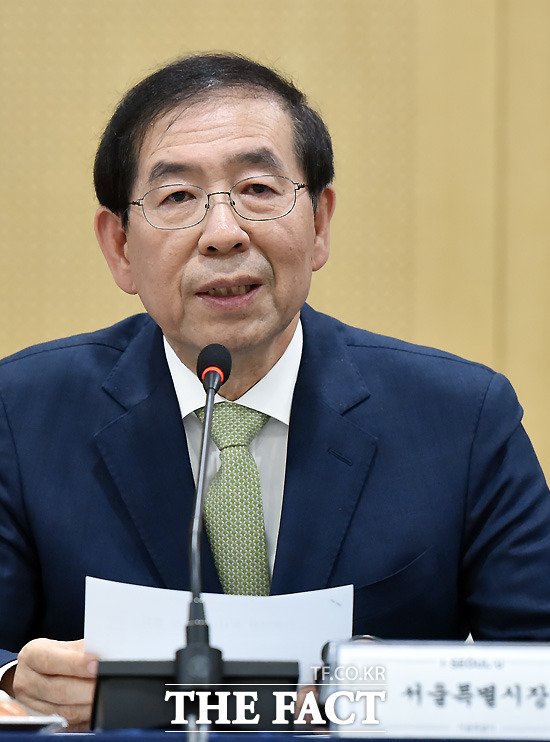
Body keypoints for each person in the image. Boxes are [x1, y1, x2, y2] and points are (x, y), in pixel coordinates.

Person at [1, 52, 549, 729]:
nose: (223, 234)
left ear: (319, 223)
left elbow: (539, 669)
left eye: (258, 188)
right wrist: (16, 682)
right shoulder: (21, 414)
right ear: (119, 247)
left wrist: (388, 690)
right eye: (177, 198)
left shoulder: (461, 420)